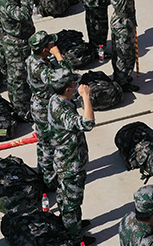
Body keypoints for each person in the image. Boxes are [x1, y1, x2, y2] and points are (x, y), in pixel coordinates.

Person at [48, 69, 96, 245]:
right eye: (74, 85)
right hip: (70, 164)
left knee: (65, 198)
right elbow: (88, 123)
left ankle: (71, 224)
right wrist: (86, 97)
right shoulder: (62, 111)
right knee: (71, 203)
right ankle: (75, 238)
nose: (77, 86)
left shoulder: (57, 98)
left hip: (66, 160)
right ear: (68, 90)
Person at [27, 30, 72, 191]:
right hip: (45, 108)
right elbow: (65, 75)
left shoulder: (33, 59)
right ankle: (49, 180)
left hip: (39, 104)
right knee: (48, 144)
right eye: (50, 44)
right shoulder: (40, 67)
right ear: (45, 49)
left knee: (43, 142)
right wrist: (59, 56)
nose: (53, 45)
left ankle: (44, 173)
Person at [0, 0, 36, 121]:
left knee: (20, 76)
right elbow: (23, 15)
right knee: (18, 78)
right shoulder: (6, 2)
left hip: (15, 39)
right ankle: (21, 111)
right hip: (16, 44)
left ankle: (23, 104)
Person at [109, 0, 138, 92]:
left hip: (121, 19)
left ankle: (122, 76)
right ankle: (122, 81)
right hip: (123, 23)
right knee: (125, 53)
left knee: (120, 51)